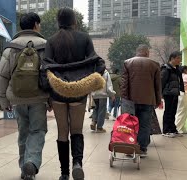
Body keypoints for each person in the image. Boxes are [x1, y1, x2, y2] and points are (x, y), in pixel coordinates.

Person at [41, 8, 105, 180]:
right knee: (77, 130)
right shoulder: (84, 38)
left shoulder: (51, 40)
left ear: (58, 22)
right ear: (74, 21)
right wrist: (90, 81)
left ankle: (64, 173)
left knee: (62, 132)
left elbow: (45, 66)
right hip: (79, 90)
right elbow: (98, 62)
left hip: (58, 91)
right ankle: (77, 163)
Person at [0, 12, 49, 180]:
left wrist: (3, 100)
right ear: (36, 25)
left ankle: (24, 168)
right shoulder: (45, 45)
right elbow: (52, 75)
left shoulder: (11, 46)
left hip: (17, 98)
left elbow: (2, 75)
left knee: (23, 132)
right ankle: (32, 162)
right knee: (38, 130)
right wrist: (52, 99)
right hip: (39, 98)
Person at [121, 44, 162, 156]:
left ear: (137, 52)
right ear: (147, 52)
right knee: (145, 125)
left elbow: (124, 84)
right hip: (148, 100)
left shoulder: (127, 63)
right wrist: (158, 100)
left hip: (130, 101)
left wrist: (124, 99)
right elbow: (157, 85)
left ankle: (130, 147)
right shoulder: (154, 64)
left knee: (130, 124)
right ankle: (142, 149)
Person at [161, 51, 184, 138]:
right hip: (168, 93)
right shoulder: (166, 69)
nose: (179, 60)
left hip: (175, 93)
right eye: (178, 58)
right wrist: (160, 94)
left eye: (180, 58)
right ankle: (166, 130)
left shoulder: (177, 69)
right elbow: (161, 82)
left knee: (173, 112)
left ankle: (172, 129)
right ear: (172, 58)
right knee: (168, 111)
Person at [175, 65, 187, 134]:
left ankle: (182, 127)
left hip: (181, 94)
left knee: (181, 111)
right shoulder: (186, 76)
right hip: (185, 94)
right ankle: (178, 128)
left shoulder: (181, 76)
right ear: (185, 70)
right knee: (182, 111)